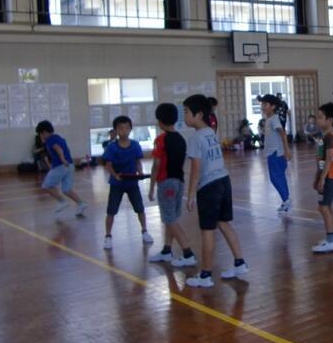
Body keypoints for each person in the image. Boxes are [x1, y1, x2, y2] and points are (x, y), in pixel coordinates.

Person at [182, 94, 248, 288]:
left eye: (186, 112)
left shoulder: (195, 138)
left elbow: (196, 168)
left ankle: (206, 275)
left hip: (209, 186)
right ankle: (240, 263)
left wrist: (191, 194)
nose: (184, 116)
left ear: (198, 114)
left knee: (207, 230)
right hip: (223, 181)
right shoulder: (210, 132)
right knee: (223, 223)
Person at [148, 103, 197, 267]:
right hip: (179, 182)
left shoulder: (161, 139)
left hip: (166, 183)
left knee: (170, 220)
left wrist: (151, 186)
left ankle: (188, 253)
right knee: (171, 218)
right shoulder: (181, 139)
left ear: (159, 121)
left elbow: (156, 165)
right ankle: (167, 251)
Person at [102, 115, 152, 249]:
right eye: (120, 128)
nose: (124, 131)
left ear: (130, 129)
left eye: (126, 128)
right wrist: (115, 175)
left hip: (132, 183)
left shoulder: (135, 145)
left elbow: (138, 162)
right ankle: (108, 236)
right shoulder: (111, 147)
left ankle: (144, 231)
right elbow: (108, 165)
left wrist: (140, 173)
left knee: (140, 208)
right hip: (116, 184)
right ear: (116, 130)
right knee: (111, 211)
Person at [36, 120, 87, 217]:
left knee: (46, 185)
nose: (40, 136)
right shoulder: (58, 137)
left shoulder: (50, 140)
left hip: (60, 165)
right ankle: (81, 203)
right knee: (66, 189)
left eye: (40, 134)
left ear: (44, 132)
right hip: (70, 166)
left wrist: (62, 159)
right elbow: (64, 149)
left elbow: (58, 149)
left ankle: (62, 201)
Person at [312, 102, 333, 253]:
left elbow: (329, 159)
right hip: (328, 174)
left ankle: (330, 240)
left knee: (323, 207)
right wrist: (317, 176)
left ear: (330, 120)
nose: (317, 120)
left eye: (320, 117)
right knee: (328, 206)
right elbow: (322, 159)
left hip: (330, 175)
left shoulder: (329, 137)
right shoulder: (325, 137)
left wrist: (322, 178)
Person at [259, 94, 292, 213]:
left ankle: (286, 200)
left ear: (273, 107)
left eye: (265, 104)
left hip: (276, 152)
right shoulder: (269, 119)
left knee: (274, 178)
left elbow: (283, 134)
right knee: (280, 177)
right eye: (262, 104)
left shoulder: (274, 119)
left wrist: (287, 150)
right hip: (273, 152)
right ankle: (286, 200)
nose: (263, 107)